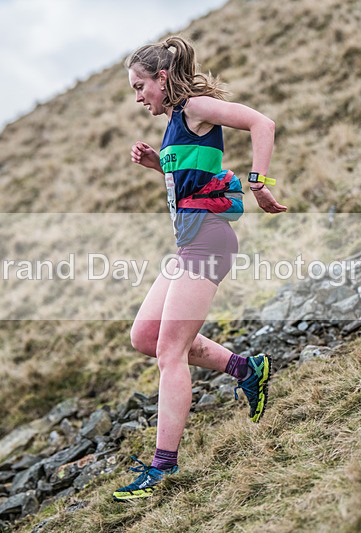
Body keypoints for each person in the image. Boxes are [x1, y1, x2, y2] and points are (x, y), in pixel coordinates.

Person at [112, 35, 287, 502]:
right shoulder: (173, 122)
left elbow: (261, 123)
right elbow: (194, 178)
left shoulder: (195, 107)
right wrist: (157, 165)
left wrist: (260, 184)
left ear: (161, 78)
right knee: (145, 338)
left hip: (208, 241)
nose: (137, 97)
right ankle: (246, 369)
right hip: (189, 242)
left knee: (170, 351)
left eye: (139, 86)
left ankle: (162, 467)